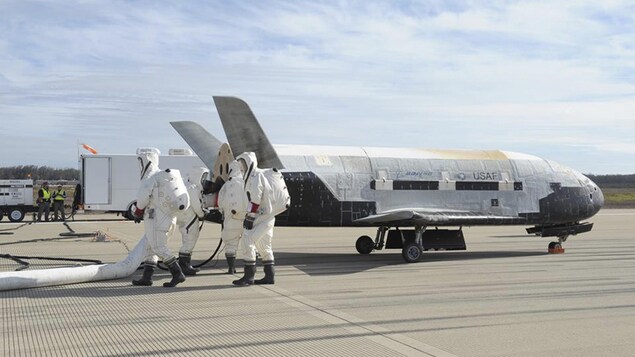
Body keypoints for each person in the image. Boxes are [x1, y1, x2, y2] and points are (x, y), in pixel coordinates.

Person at [131, 149, 190, 288]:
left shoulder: (151, 178)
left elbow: (142, 197)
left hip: (156, 218)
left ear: (146, 161)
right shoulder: (163, 177)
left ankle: (177, 274)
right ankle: (147, 277)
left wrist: (138, 212)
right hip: (169, 217)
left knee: (158, 246)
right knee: (152, 247)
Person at [232, 152, 277, 286]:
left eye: (243, 164)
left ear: (249, 163)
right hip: (267, 216)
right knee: (264, 246)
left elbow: (255, 199)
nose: (241, 167)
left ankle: (249, 276)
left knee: (247, 240)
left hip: (260, 217)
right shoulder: (257, 176)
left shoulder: (255, 177)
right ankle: (269, 276)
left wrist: (250, 217)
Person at [175, 166, 209, 276]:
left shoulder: (185, 185)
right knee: (190, 240)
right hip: (190, 218)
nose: (204, 180)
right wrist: (202, 214)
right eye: (203, 177)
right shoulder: (192, 188)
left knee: (187, 240)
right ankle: (185, 266)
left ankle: (184, 265)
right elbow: (196, 205)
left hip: (184, 217)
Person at [217, 160, 248, 274]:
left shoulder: (227, 185)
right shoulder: (246, 182)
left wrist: (223, 212)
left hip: (230, 218)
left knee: (230, 243)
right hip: (246, 219)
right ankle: (249, 270)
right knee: (249, 244)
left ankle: (231, 268)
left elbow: (220, 202)